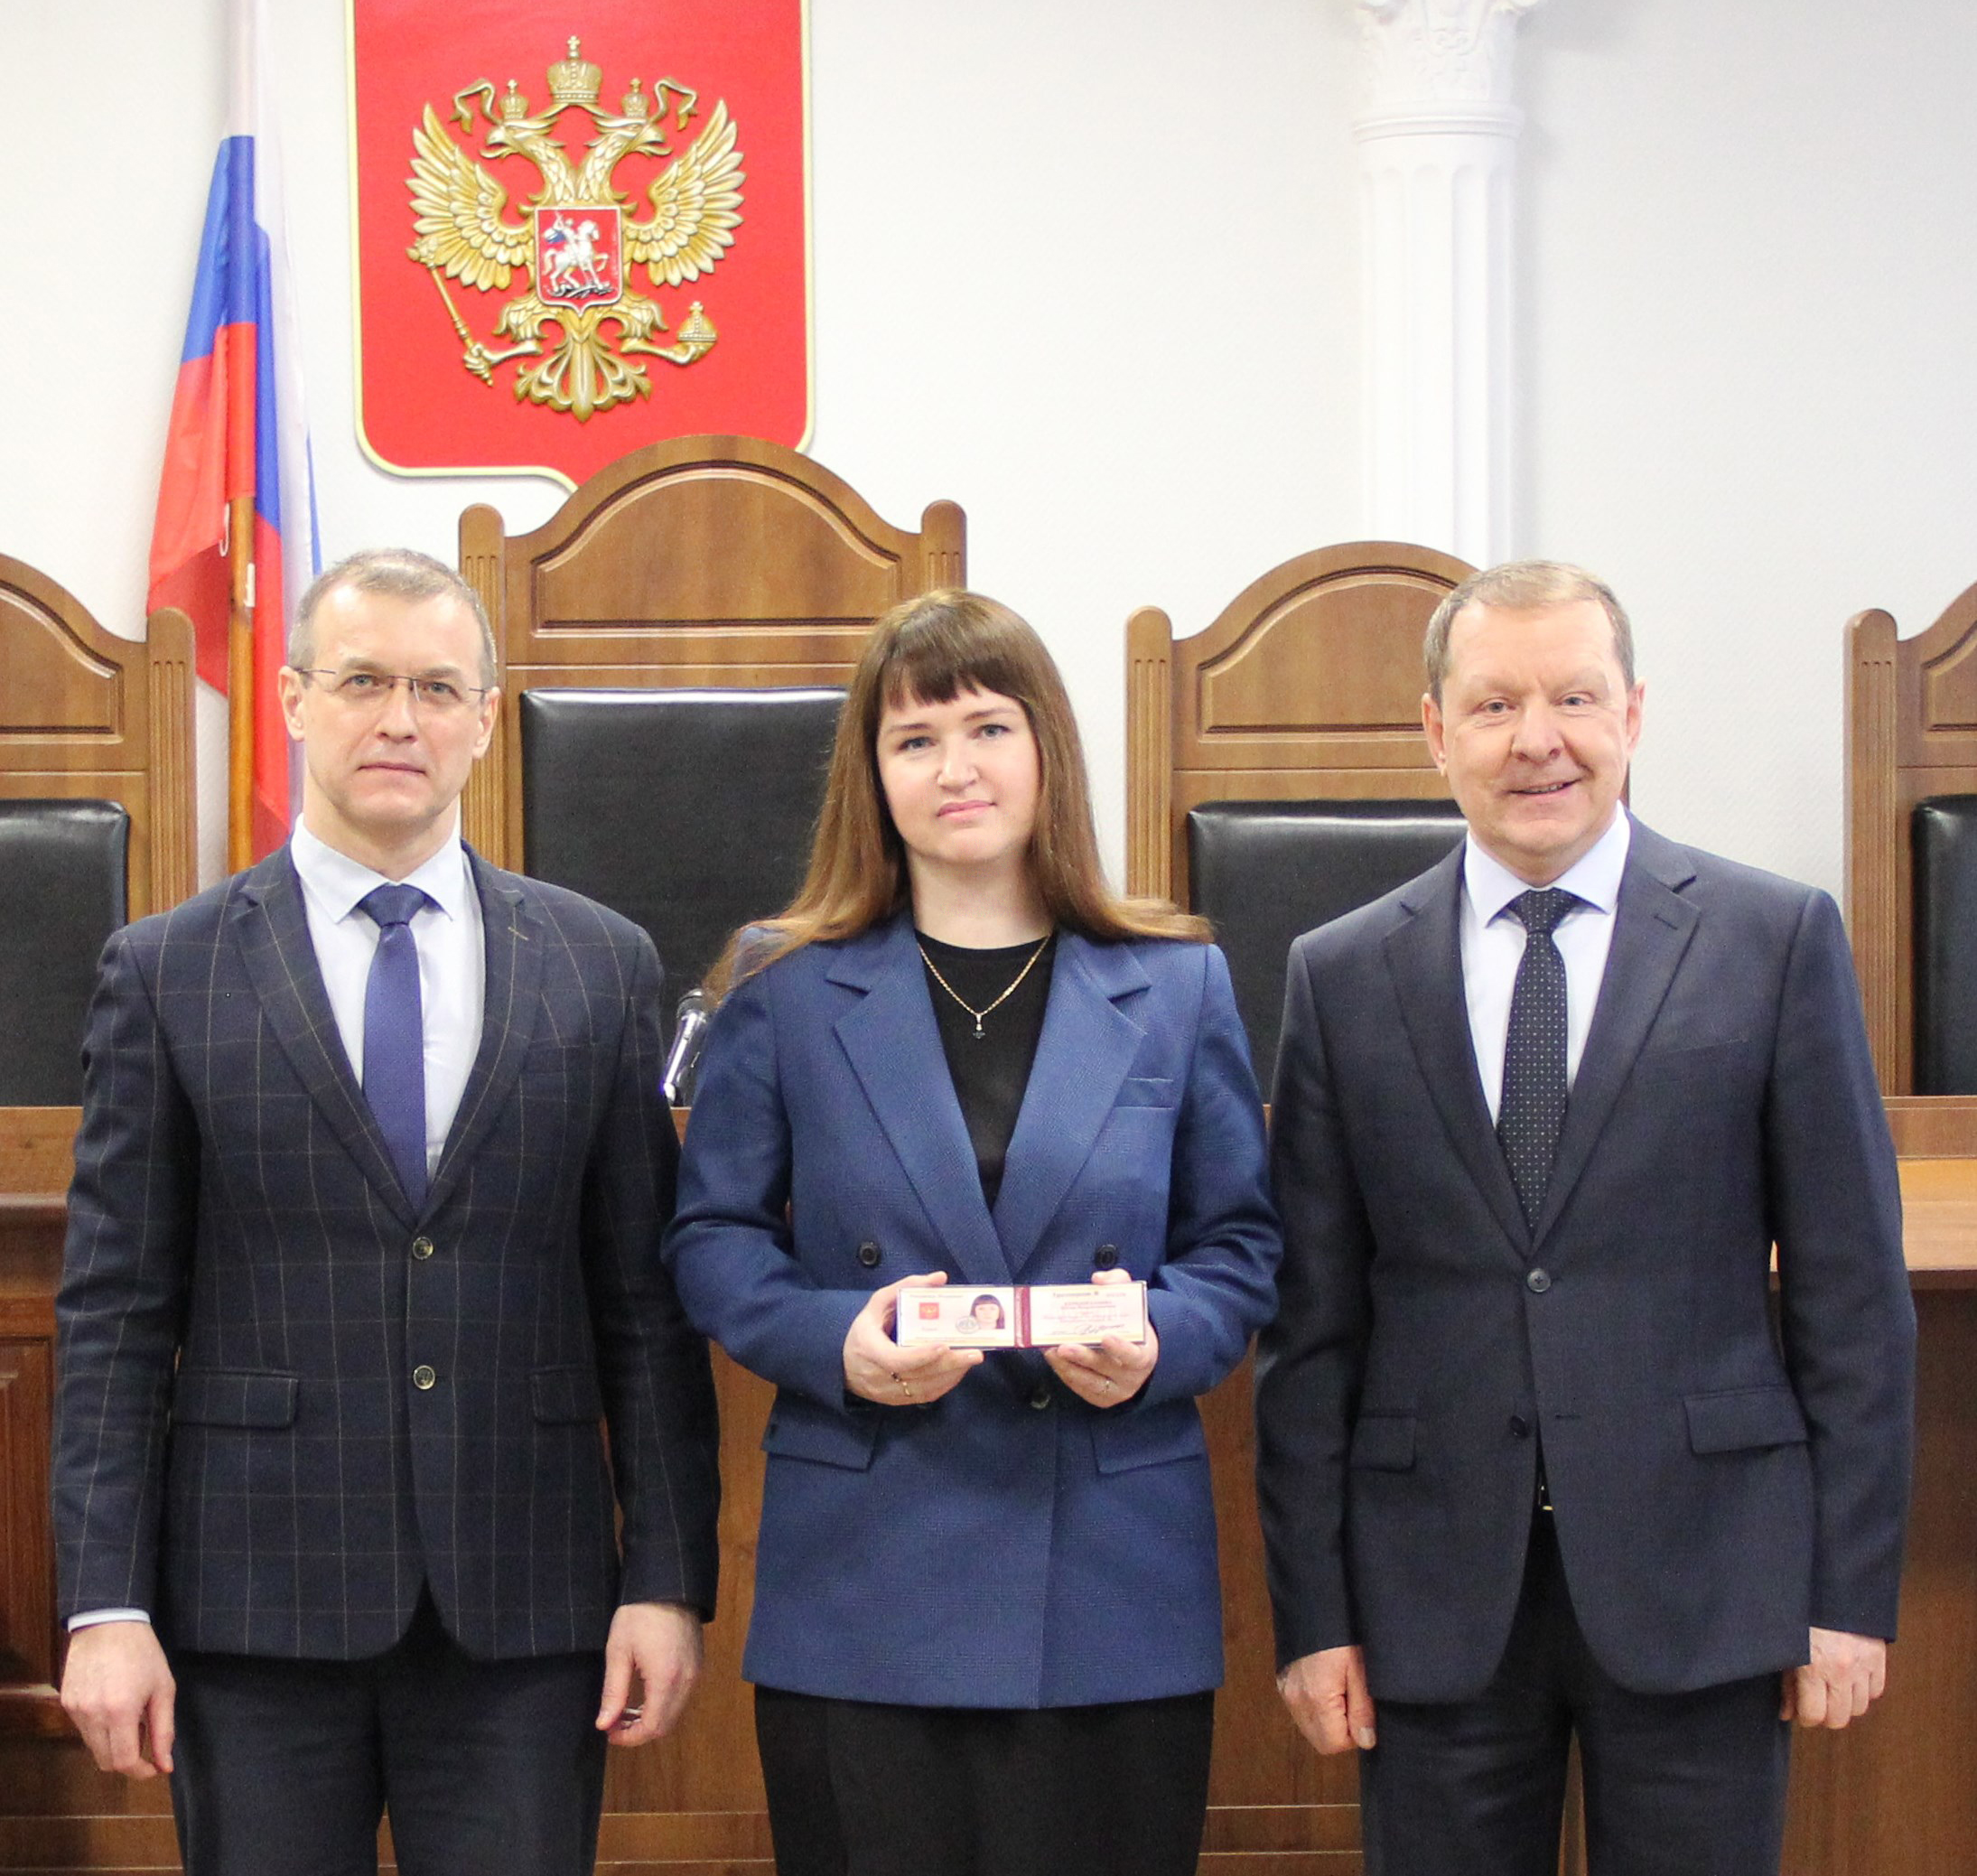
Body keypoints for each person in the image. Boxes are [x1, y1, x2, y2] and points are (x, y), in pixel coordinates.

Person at [52, 550, 721, 1876]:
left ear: (486, 717)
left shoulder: (598, 965)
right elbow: (116, 1318)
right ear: (295, 699)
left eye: (435, 687)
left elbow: (644, 1312)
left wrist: (664, 1577)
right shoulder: (169, 970)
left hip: (523, 1611)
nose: (399, 719)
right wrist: (104, 1601)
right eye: (362, 681)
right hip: (255, 1609)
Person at [1254, 560, 1916, 1875]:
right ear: (1435, 730)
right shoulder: (1339, 973)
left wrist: (1845, 1592)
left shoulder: (1772, 939)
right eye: (1494, 705)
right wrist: (1313, 1614)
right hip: (1434, 1592)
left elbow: (1850, 1295)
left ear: (1633, 713)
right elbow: (1309, 1330)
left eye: (1573, 697)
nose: (1536, 739)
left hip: (1704, 1573)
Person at [665, 589, 1280, 1876]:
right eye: (915, 739)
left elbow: (1238, 1246)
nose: (956, 768)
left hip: (1110, 1580)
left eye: (989, 727)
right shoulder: (781, 982)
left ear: (1046, 746)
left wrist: (1157, 1339)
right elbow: (713, 1236)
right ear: (871, 773)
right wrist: (837, 1339)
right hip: (866, 1577)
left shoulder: (1177, 982)